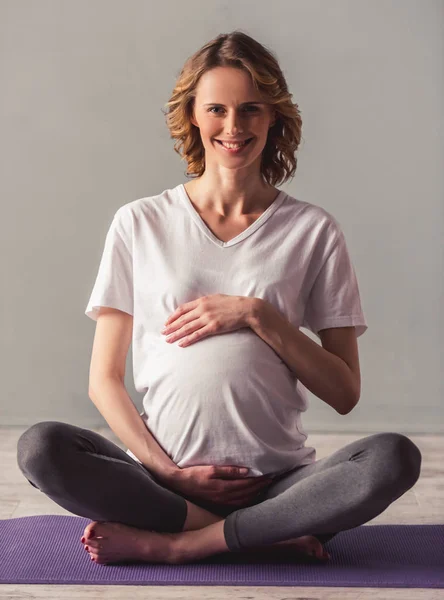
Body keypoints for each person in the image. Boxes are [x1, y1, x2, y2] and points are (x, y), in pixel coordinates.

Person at [17, 30, 422, 566]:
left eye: (251, 110)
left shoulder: (313, 231)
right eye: (217, 110)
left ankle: (185, 545)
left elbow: (345, 391)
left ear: (273, 117)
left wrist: (260, 315)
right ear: (191, 116)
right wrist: (165, 470)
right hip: (165, 485)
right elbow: (104, 379)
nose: (234, 127)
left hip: (281, 486)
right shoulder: (139, 223)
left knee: (392, 458)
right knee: (41, 448)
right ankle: (257, 535)